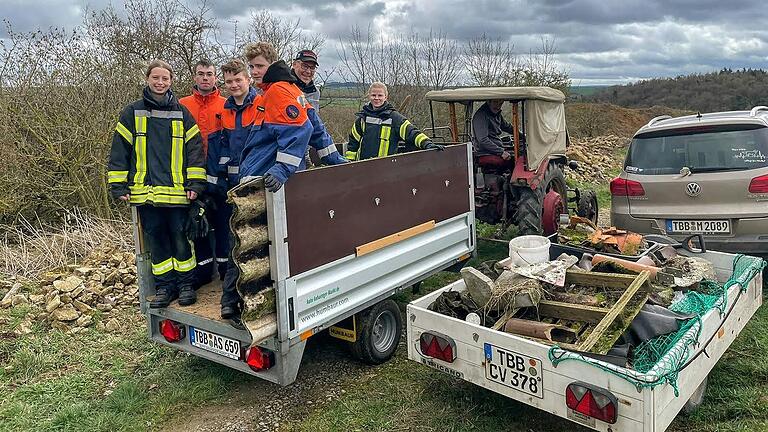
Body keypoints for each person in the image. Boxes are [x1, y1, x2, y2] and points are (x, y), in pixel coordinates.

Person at [108, 60, 206, 308]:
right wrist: (118, 186)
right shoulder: (132, 112)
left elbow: (194, 151)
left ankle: (186, 285)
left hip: (177, 195)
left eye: (165, 78)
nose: (160, 83)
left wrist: (195, 183)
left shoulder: (182, 113)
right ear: (147, 79)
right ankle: (165, 287)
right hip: (146, 194)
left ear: (171, 81)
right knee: (158, 243)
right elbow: (120, 151)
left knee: (181, 240)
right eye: (156, 78)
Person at [206, 57, 262, 319]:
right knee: (234, 244)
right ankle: (229, 301)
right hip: (233, 189)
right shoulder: (225, 112)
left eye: (238, 79)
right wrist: (219, 183)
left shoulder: (260, 105)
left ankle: (253, 299)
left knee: (257, 245)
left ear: (248, 80)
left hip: (258, 186)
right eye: (228, 81)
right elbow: (223, 150)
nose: (234, 85)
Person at [179, 59, 227, 286]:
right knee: (198, 224)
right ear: (194, 77)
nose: (205, 77)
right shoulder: (182, 105)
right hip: (192, 175)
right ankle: (204, 271)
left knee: (223, 223)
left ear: (215, 77)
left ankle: (226, 270)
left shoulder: (226, 105)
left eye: (209, 73)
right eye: (201, 73)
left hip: (220, 175)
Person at [346, 82, 443, 161]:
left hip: (386, 169)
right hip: (362, 168)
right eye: (373, 95)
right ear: (369, 96)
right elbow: (353, 143)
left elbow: (412, 133)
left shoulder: (395, 118)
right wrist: (350, 164)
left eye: (380, 95)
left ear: (386, 97)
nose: (376, 98)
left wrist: (427, 144)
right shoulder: (362, 119)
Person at [290, 49, 347, 166]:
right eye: (305, 66)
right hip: (285, 151)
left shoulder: (315, 92)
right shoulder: (284, 87)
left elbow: (313, 125)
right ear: (294, 64)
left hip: (304, 152)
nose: (308, 71)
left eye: (312, 68)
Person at [471, 100, 516, 169]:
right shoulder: (481, 116)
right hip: (485, 152)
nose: (498, 106)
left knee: (516, 155)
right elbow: (483, 140)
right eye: (495, 102)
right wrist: (501, 152)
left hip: (493, 150)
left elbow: (507, 127)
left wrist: (523, 136)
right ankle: (508, 179)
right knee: (515, 160)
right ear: (488, 102)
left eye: (500, 104)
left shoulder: (495, 113)